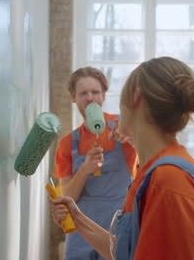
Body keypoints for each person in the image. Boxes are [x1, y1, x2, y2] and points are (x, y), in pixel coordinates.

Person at [50, 57, 194, 260]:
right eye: (83, 93)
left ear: (135, 97)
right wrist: (78, 219)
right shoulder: (152, 175)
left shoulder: (169, 183)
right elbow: (129, 252)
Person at [54, 67, 138, 260]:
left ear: (104, 96)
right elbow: (66, 196)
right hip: (80, 232)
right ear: (73, 97)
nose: (90, 98)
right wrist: (84, 170)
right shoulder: (67, 144)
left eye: (95, 92)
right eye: (83, 93)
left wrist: (130, 136)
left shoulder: (122, 127)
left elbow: (149, 157)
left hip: (119, 227)